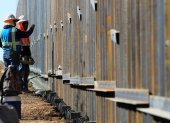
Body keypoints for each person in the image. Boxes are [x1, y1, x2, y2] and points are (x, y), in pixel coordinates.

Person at [17, 15, 33, 91]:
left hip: (26, 54)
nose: (26, 25)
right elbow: (20, 46)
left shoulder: (24, 33)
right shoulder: (20, 32)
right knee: (22, 71)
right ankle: (22, 87)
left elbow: (27, 45)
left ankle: (24, 87)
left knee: (26, 71)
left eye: (26, 23)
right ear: (21, 24)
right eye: (24, 23)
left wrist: (29, 55)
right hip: (22, 55)